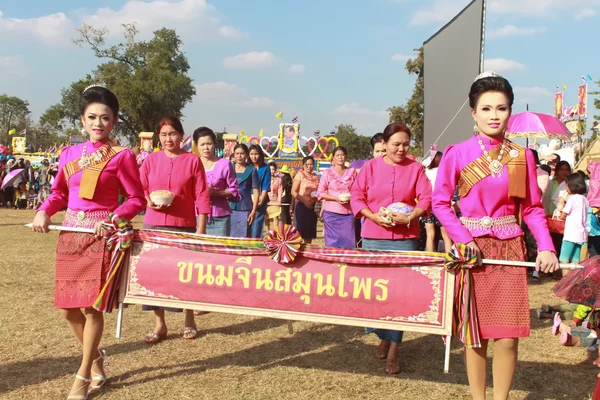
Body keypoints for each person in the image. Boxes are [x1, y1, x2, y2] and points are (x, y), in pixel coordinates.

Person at [432, 72, 559, 400]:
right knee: (476, 334)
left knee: (507, 337)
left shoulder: (522, 156)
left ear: (509, 112)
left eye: (501, 109)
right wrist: (464, 239)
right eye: (486, 108)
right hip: (472, 252)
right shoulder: (456, 153)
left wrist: (545, 247)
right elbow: (440, 203)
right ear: (473, 112)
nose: (493, 116)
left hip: (509, 252)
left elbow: (531, 208)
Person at [31, 86, 146, 399]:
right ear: (82, 120)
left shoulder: (122, 156)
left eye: (105, 118)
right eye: (92, 117)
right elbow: (58, 193)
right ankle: (96, 358)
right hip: (70, 235)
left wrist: (114, 218)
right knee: (68, 310)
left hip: (100, 237)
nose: (98, 123)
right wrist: (44, 211)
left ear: (114, 121)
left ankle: (83, 374)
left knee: (90, 307)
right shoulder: (68, 154)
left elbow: (137, 199)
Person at [350, 123, 432, 374]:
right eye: (396, 144)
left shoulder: (416, 168)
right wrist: (372, 217)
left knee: (399, 296)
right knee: (376, 294)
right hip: (374, 238)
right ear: (384, 144)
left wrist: (410, 217)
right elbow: (357, 196)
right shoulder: (369, 168)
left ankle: (394, 349)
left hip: (405, 239)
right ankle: (383, 335)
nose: (401, 149)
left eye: (406, 144)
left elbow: (427, 198)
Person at [139, 116, 210, 343]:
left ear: (181, 135)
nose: (168, 139)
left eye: (172, 134)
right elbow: (140, 188)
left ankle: (189, 319)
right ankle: (160, 324)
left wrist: (201, 226)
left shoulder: (192, 160)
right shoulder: (150, 160)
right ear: (158, 137)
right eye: (163, 134)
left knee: (185, 273)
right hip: (154, 222)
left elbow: (201, 194)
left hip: (184, 224)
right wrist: (147, 200)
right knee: (154, 275)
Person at [193, 127, 239, 236]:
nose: (206, 148)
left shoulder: (225, 164)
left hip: (220, 218)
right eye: (202, 144)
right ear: (196, 145)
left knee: (219, 251)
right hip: (195, 216)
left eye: (209, 143)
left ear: (214, 144)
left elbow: (234, 190)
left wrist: (216, 193)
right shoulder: (193, 164)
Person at [317, 146, 357, 248]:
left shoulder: (352, 172)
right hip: (331, 214)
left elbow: (357, 190)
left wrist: (350, 197)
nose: (340, 157)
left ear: (346, 157)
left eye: (342, 155)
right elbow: (320, 193)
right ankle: (332, 263)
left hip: (348, 213)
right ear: (333, 158)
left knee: (349, 242)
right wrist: (336, 198)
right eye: (338, 155)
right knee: (332, 244)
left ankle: (348, 263)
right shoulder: (327, 173)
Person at [422, 150, 453, 253]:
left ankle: (429, 259)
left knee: (430, 235)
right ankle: (449, 260)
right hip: (442, 206)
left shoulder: (426, 173)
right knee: (446, 236)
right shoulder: (444, 172)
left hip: (429, 206)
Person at [557, 173, 589, 266]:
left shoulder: (572, 199)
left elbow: (562, 216)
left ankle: (565, 280)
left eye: (567, 185)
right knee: (576, 260)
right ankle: (574, 280)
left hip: (570, 234)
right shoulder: (585, 199)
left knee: (564, 260)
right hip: (581, 234)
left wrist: (562, 205)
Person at [229, 144, 259, 237]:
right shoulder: (229, 167)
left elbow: (256, 191)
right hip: (228, 207)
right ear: (234, 155)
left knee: (243, 236)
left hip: (245, 208)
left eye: (242, 153)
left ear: (246, 155)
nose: (239, 156)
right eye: (237, 153)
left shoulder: (252, 170)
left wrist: (254, 211)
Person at [292, 156, 320, 244]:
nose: (309, 166)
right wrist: (305, 201)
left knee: (309, 233)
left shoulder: (315, 176)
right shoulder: (299, 175)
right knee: (299, 233)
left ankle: (307, 254)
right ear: (303, 165)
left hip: (312, 206)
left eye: (311, 164)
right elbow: (293, 192)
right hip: (301, 206)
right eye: (307, 164)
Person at [248, 144, 271, 238]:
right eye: (251, 154)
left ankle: (255, 246)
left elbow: (266, 185)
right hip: (247, 200)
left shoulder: (265, 168)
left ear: (260, 155)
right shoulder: (247, 167)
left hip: (261, 200)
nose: (254, 156)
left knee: (257, 225)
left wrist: (261, 200)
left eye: (256, 154)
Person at [266, 162, 282, 231]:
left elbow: (280, 190)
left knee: (275, 217)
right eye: (270, 169)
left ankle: (275, 233)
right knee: (266, 217)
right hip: (266, 200)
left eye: (273, 169)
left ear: (275, 170)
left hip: (275, 201)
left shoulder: (279, 180)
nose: (271, 171)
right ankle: (267, 233)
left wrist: (279, 201)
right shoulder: (265, 179)